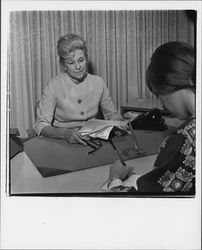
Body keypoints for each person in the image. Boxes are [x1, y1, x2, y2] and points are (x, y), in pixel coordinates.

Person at [102, 41, 196, 194]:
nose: (164, 105)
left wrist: (114, 179)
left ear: (168, 85)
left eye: (159, 95)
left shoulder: (185, 139)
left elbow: (143, 203)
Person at [34, 33, 125, 145]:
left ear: (86, 59)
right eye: (71, 63)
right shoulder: (53, 85)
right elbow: (40, 125)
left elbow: (112, 115)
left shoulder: (98, 82)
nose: (78, 67)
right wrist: (64, 133)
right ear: (64, 65)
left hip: (94, 140)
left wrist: (120, 123)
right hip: (63, 142)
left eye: (81, 60)